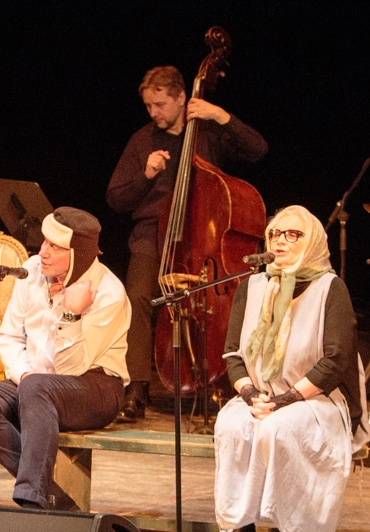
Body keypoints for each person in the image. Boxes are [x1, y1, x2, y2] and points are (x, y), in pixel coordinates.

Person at [106, 65, 267, 421]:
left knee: (217, 302)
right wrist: (145, 176)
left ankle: (223, 380)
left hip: (201, 237)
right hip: (152, 233)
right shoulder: (142, 140)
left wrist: (222, 116)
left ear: (182, 97)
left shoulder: (209, 132)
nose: (153, 113)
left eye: (160, 104)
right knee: (137, 297)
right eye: (148, 105)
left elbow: (258, 149)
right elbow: (116, 198)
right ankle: (138, 388)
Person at [0, 208, 129, 510]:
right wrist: (23, 376)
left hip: (95, 388)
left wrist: (71, 315)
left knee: (37, 388)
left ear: (79, 254)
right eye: (44, 242)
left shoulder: (109, 293)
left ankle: (32, 498)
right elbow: (8, 337)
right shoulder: (31, 271)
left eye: (55, 247)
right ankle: (55, 495)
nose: (43, 252)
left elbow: (73, 369)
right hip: (35, 384)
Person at [214, 206, 364, 532]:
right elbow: (233, 353)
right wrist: (251, 395)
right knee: (233, 424)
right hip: (262, 395)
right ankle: (243, 528)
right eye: (274, 234)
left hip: (317, 398)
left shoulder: (331, 288)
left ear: (311, 240)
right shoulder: (253, 286)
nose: (280, 241)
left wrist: (285, 400)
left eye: (292, 234)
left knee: (279, 429)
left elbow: (336, 361)